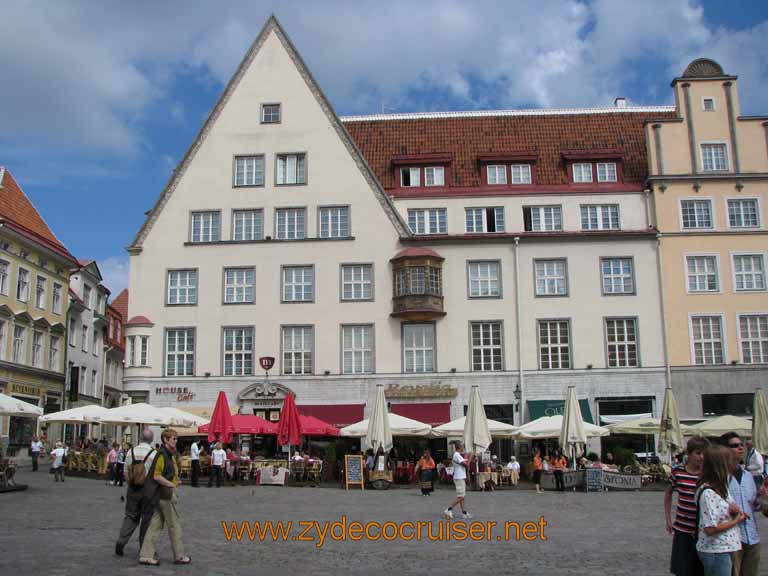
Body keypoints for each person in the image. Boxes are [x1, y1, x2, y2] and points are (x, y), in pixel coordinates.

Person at [139, 428, 190, 566]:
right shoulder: (162, 454)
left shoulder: (167, 454)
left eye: (176, 438)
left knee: (154, 526)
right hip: (165, 495)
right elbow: (157, 475)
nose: (176, 440)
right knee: (174, 525)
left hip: (159, 495)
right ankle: (179, 555)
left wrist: (175, 480)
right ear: (165, 440)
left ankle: (145, 555)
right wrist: (171, 484)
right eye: (173, 438)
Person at [695, 444, 748, 576]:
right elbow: (710, 529)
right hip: (716, 551)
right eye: (730, 460)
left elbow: (726, 512)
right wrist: (737, 520)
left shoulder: (722, 487)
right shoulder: (708, 493)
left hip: (725, 548)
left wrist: (735, 511)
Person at [665, 435, 709, 576]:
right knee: (682, 569)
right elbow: (668, 494)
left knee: (700, 569)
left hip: (702, 530)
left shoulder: (707, 474)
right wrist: (668, 519)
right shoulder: (678, 471)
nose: (701, 457)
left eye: (704, 454)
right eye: (698, 453)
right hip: (683, 529)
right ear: (689, 454)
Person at [720, 432, 761, 576]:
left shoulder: (748, 475)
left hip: (752, 537)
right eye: (734, 445)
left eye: (741, 445)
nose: (740, 448)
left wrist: (762, 498)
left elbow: (755, 505)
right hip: (731, 538)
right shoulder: (720, 477)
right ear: (724, 450)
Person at [115, 428, 156, 556]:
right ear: (151, 440)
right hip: (148, 490)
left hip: (133, 489)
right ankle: (144, 547)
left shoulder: (130, 452)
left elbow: (126, 474)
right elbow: (156, 475)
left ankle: (122, 540)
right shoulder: (154, 454)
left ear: (140, 438)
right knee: (147, 519)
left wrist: (131, 484)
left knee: (131, 516)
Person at [444, 442, 472, 519]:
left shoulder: (458, 455)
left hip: (460, 477)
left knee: (462, 496)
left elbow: (464, 461)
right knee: (461, 496)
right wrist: (470, 456)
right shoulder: (456, 455)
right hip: (459, 477)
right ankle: (449, 509)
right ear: (460, 447)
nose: (463, 448)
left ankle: (464, 512)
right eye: (463, 446)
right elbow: (466, 465)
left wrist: (468, 456)